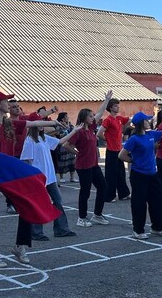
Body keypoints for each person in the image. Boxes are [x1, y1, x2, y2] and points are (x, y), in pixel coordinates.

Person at [0, 90, 59, 267]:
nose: (9, 104)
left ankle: (20, 246)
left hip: (10, 174)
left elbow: (32, 123)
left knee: (27, 204)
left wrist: (55, 122)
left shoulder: (10, 124)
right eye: (5, 101)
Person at [119, 111, 162, 239]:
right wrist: (133, 161)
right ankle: (138, 230)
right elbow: (121, 155)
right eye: (146, 120)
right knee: (139, 202)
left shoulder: (151, 134)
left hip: (152, 174)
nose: (149, 121)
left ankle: (157, 228)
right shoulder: (134, 139)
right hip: (139, 174)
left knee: (159, 200)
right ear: (141, 123)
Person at [20, 112, 78, 240]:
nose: (42, 125)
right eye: (39, 123)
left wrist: (74, 131)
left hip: (50, 177)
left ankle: (61, 229)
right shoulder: (29, 141)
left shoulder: (44, 138)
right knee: (38, 204)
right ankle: (36, 232)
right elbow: (25, 161)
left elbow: (60, 142)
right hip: (38, 178)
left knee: (58, 201)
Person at [62, 90, 113, 228]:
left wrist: (107, 100)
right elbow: (66, 144)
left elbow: (100, 112)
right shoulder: (78, 131)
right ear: (84, 117)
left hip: (93, 164)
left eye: (92, 116)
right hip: (83, 166)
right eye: (90, 116)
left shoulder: (90, 128)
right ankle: (82, 218)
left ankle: (97, 215)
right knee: (85, 191)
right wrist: (77, 153)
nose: (93, 118)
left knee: (103, 187)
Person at [97, 97, 131, 203]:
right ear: (111, 108)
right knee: (111, 174)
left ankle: (123, 193)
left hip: (119, 149)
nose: (118, 107)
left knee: (121, 173)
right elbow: (99, 133)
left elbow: (129, 120)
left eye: (118, 105)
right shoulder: (108, 120)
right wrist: (108, 140)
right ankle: (109, 196)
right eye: (116, 105)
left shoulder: (119, 118)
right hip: (111, 150)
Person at [54, 113, 77, 183]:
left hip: (70, 145)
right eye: (66, 116)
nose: (68, 117)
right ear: (62, 118)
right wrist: (64, 133)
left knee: (72, 160)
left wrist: (67, 128)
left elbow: (73, 132)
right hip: (62, 146)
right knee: (62, 161)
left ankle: (72, 177)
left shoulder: (70, 125)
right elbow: (57, 135)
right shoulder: (58, 125)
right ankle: (61, 177)